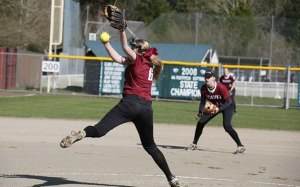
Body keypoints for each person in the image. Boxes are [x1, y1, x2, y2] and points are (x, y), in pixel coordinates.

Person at [60, 30, 180, 187]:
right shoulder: (146, 62)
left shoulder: (137, 59)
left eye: (134, 46)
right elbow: (117, 58)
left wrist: (122, 30)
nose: (131, 47)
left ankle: (82, 133)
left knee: (99, 130)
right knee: (150, 146)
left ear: (140, 50)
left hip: (129, 104)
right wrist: (106, 44)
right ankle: (171, 178)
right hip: (146, 109)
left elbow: (123, 47)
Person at [186, 70, 245, 154]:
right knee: (200, 123)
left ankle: (240, 146)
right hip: (214, 106)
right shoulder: (203, 88)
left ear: (213, 78)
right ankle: (194, 143)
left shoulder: (221, 87)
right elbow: (203, 102)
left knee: (227, 126)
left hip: (227, 105)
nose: (206, 79)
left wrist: (219, 109)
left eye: (208, 77)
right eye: (205, 77)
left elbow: (228, 101)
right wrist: (200, 112)